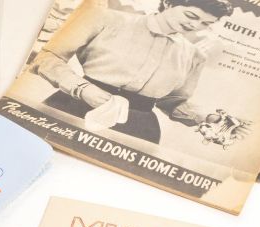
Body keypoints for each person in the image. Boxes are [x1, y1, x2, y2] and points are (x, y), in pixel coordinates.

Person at [31, 0, 234, 144]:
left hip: (137, 127)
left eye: (206, 24)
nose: (195, 25)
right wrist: (82, 89)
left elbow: (171, 101)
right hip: (74, 106)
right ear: (168, 3)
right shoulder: (106, 19)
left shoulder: (194, 56)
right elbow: (47, 58)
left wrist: (208, 118)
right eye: (191, 16)